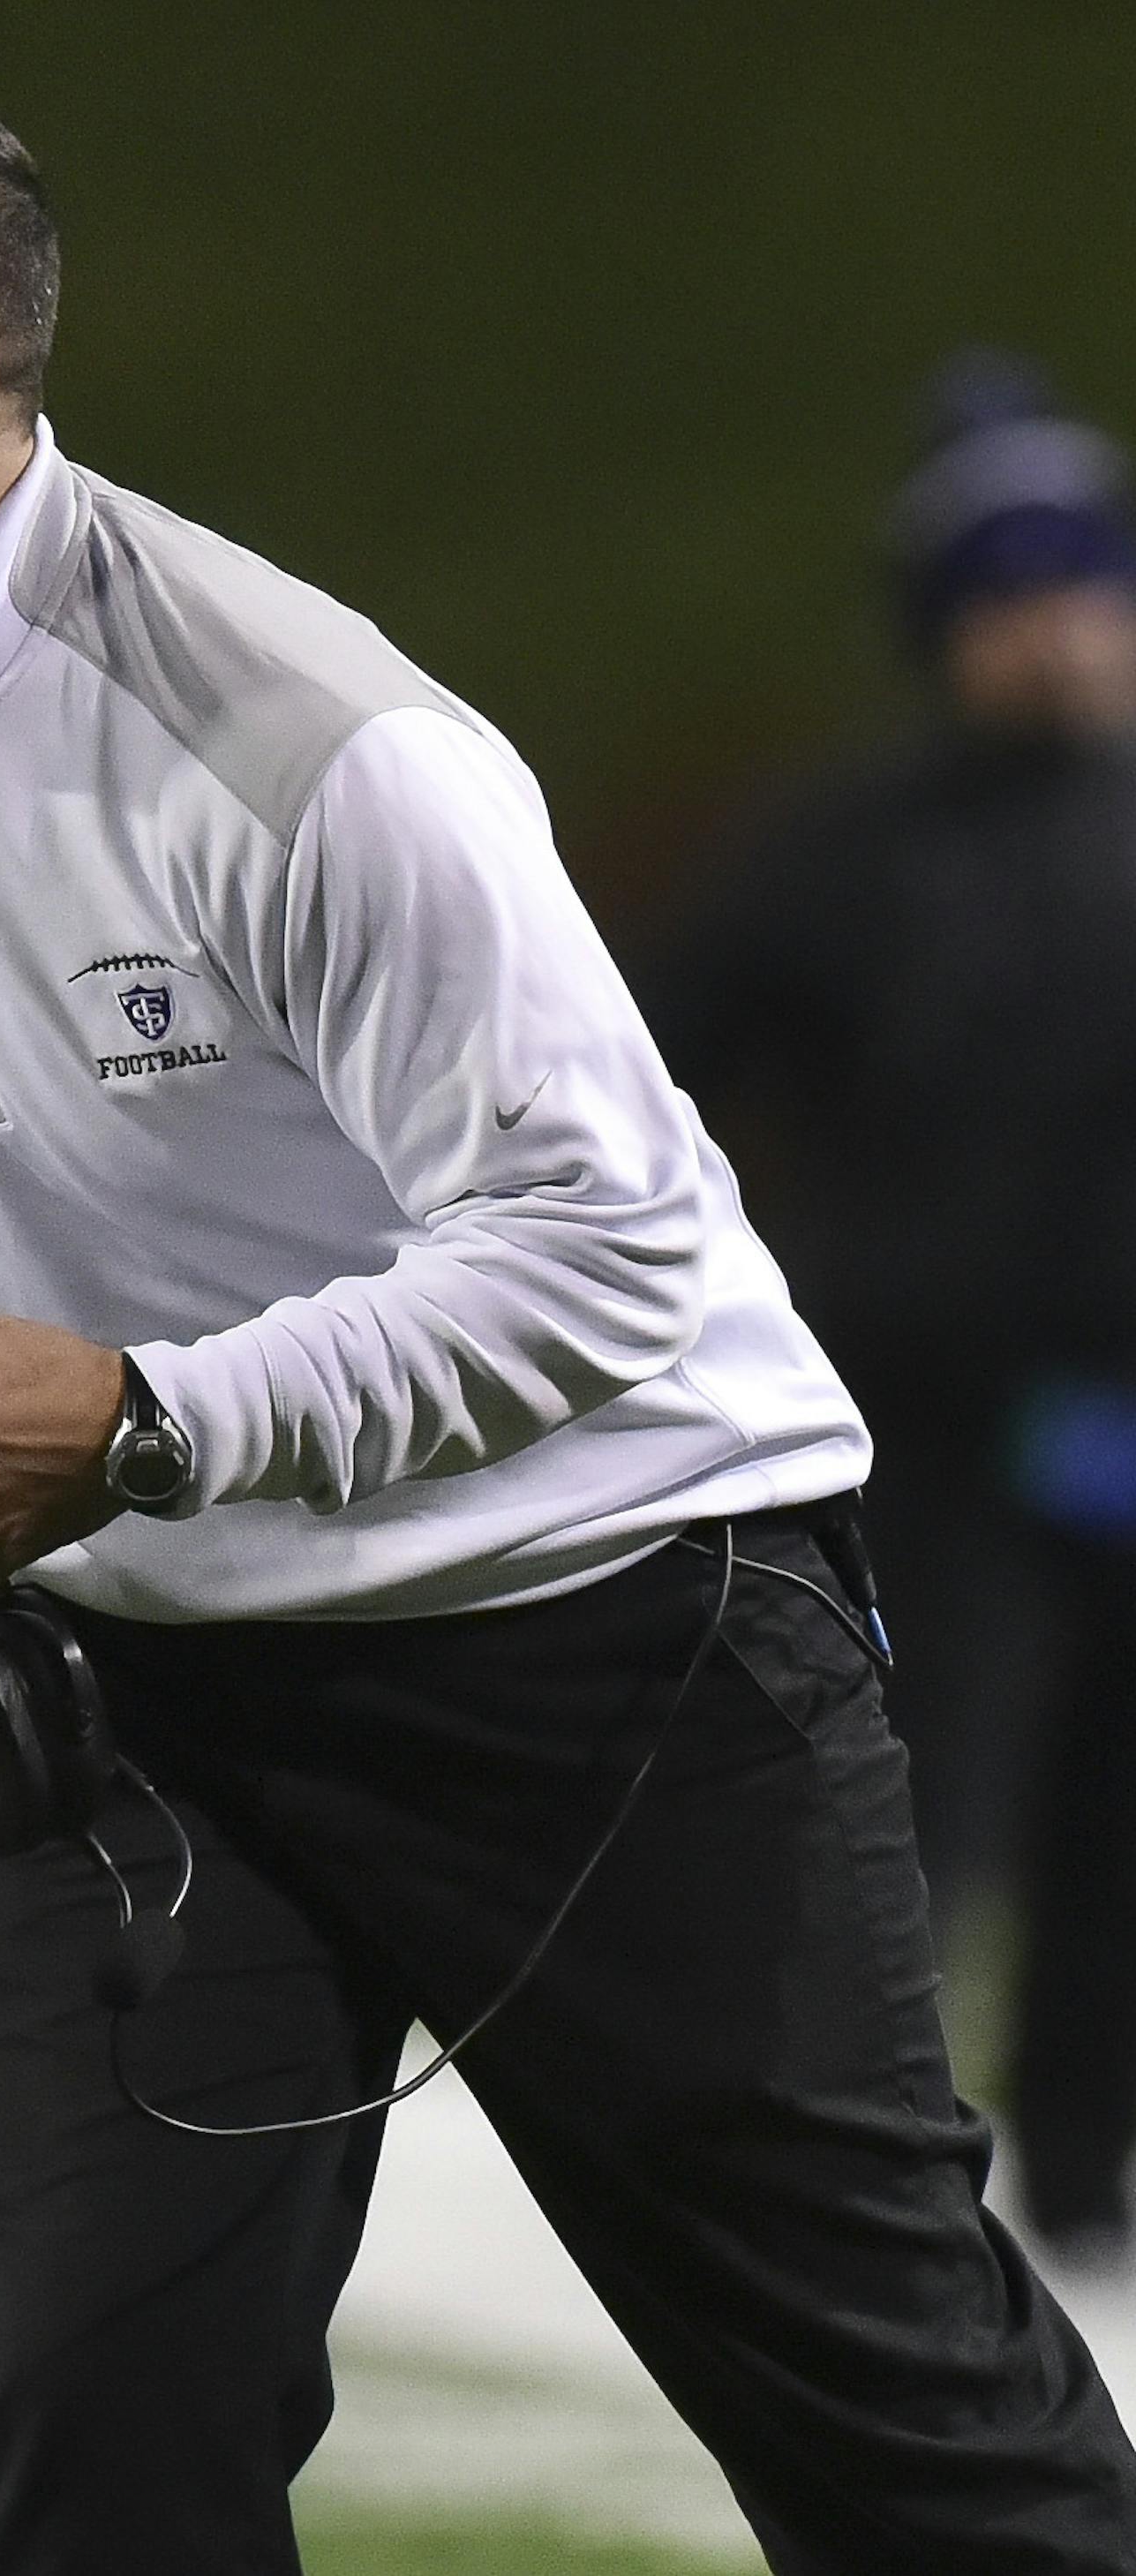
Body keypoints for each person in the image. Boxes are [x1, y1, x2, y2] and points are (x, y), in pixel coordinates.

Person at [0, 69, 1136, 2572]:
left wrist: (156, 1416)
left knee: (911, 2450)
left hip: (605, 1654)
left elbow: (607, 1248)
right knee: (105, 2437)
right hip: (145, 1703)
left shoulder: (306, 741)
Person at [651, 352, 1136, 2268]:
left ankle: (1090, 2163)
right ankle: (859, 2174)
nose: (1059, 633)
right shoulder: (841, 851)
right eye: (1011, 596)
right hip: (921, 1422)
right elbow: (642, 1079)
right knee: (896, 1811)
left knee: (1120, 1812)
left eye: (1084, 584)